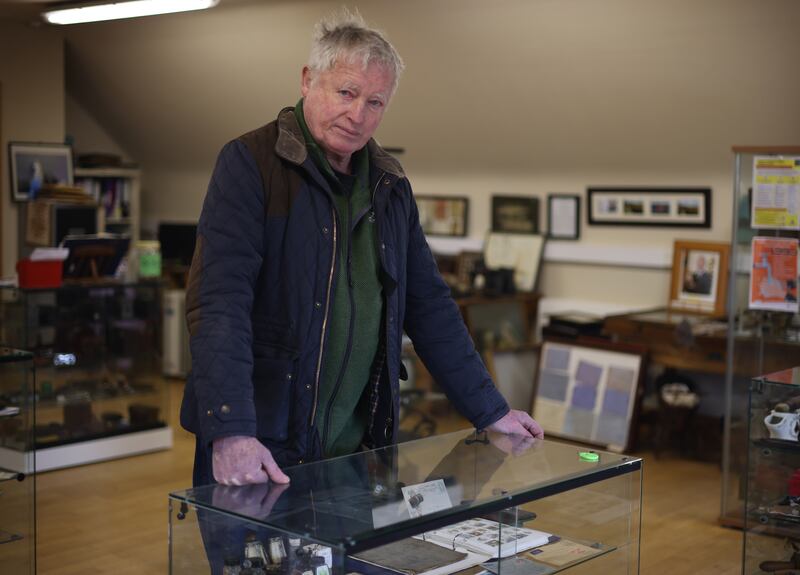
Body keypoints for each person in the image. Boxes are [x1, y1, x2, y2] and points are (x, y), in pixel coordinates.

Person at [181, 10, 543, 489]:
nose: (358, 115)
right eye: (346, 93)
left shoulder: (389, 185)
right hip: (261, 445)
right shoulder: (250, 163)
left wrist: (491, 409)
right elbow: (219, 304)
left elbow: (430, 306)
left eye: (375, 102)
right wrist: (231, 432)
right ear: (308, 80)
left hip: (356, 453)